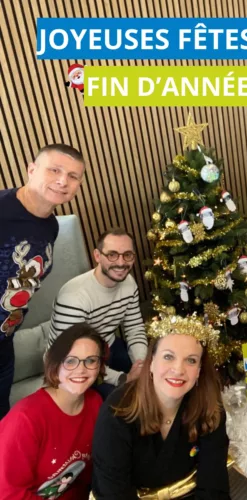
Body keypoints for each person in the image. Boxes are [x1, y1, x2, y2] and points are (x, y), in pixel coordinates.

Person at [91, 315, 230, 499]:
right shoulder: (116, 411)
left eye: (191, 360)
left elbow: (213, 488)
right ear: (151, 362)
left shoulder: (209, 407)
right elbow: (113, 494)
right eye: (168, 357)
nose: (178, 370)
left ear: (199, 370)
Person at [0, 143, 85, 418]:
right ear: (31, 170)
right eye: (54, 170)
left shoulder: (51, 227)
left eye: (73, 176)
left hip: (4, 342)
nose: (63, 181)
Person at [0, 323, 104, 499]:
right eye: (70, 361)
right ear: (55, 364)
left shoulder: (96, 403)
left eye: (91, 360)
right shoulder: (25, 419)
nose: (81, 369)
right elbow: (9, 494)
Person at [48, 228, 148, 399]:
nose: (121, 262)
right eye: (112, 255)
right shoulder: (74, 297)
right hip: (73, 361)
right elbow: (71, 355)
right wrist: (123, 378)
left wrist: (141, 365)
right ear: (97, 256)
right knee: (121, 400)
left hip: (108, 345)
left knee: (152, 382)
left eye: (127, 255)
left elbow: (134, 328)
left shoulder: (129, 283)